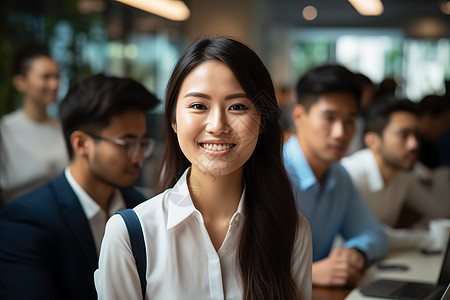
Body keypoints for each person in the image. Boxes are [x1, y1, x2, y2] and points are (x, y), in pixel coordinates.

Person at [95, 37, 312, 299]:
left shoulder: (292, 233)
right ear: (173, 119)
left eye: (238, 106)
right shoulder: (130, 235)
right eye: (199, 106)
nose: (217, 125)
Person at [0, 74, 159, 300]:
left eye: (143, 143)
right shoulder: (26, 221)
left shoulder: (143, 210)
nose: (139, 157)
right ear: (81, 144)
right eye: (127, 144)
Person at [283, 64, 388, 287]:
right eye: (329, 118)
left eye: (350, 120)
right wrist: (308, 273)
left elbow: (375, 234)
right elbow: (240, 267)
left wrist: (357, 252)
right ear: (299, 116)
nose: (341, 133)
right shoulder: (271, 173)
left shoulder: (339, 176)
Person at [341, 97, 450, 249]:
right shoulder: (350, 174)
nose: (414, 144)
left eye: (416, 135)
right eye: (403, 135)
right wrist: (431, 239)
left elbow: (439, 210)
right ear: (372, 141)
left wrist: (443, 173)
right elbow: (369, 233)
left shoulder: (403, 173)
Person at [0, 43, 68, 206]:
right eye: (46, 77)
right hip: (17, 222)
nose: (55, 84)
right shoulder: (5, 130)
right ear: (20, 82)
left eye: (57, 77)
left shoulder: (65, 128)